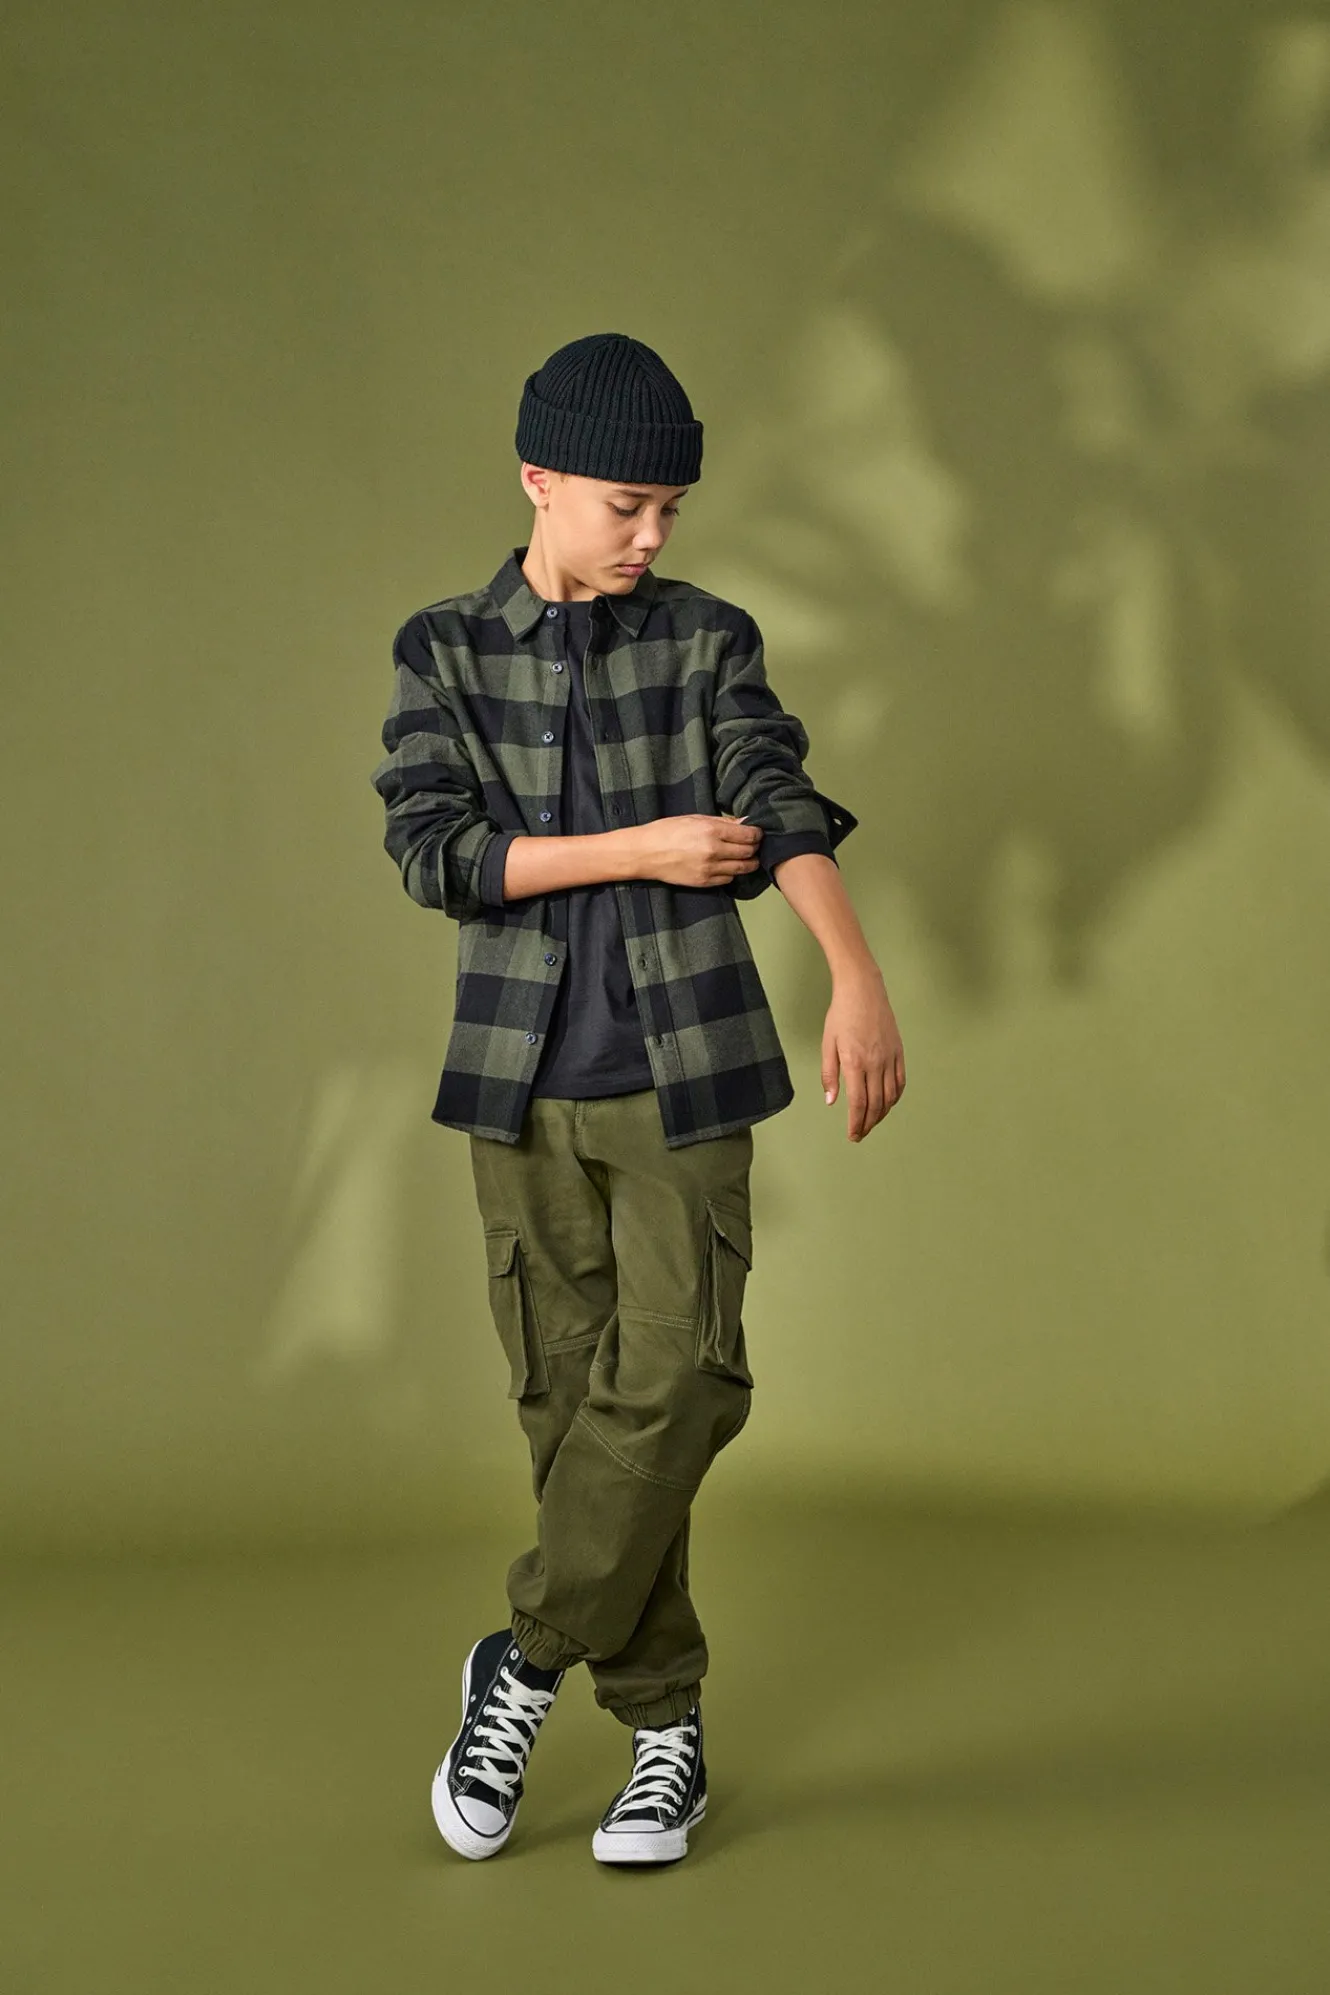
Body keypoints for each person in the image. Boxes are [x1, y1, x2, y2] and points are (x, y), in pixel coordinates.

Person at [370, 332, 905, 1867]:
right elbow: (437, 853)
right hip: (518, 1089)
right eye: (628, 504)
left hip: (686, 1078)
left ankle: (522, 1660)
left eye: (672, 507)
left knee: (679, 1383)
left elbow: (775, 793)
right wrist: (645, 848)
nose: (654, 534)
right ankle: (665, 1731)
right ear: (538, 478)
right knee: (569, 1411)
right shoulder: (443, 648)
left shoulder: (706, 640)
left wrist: (854, 974)